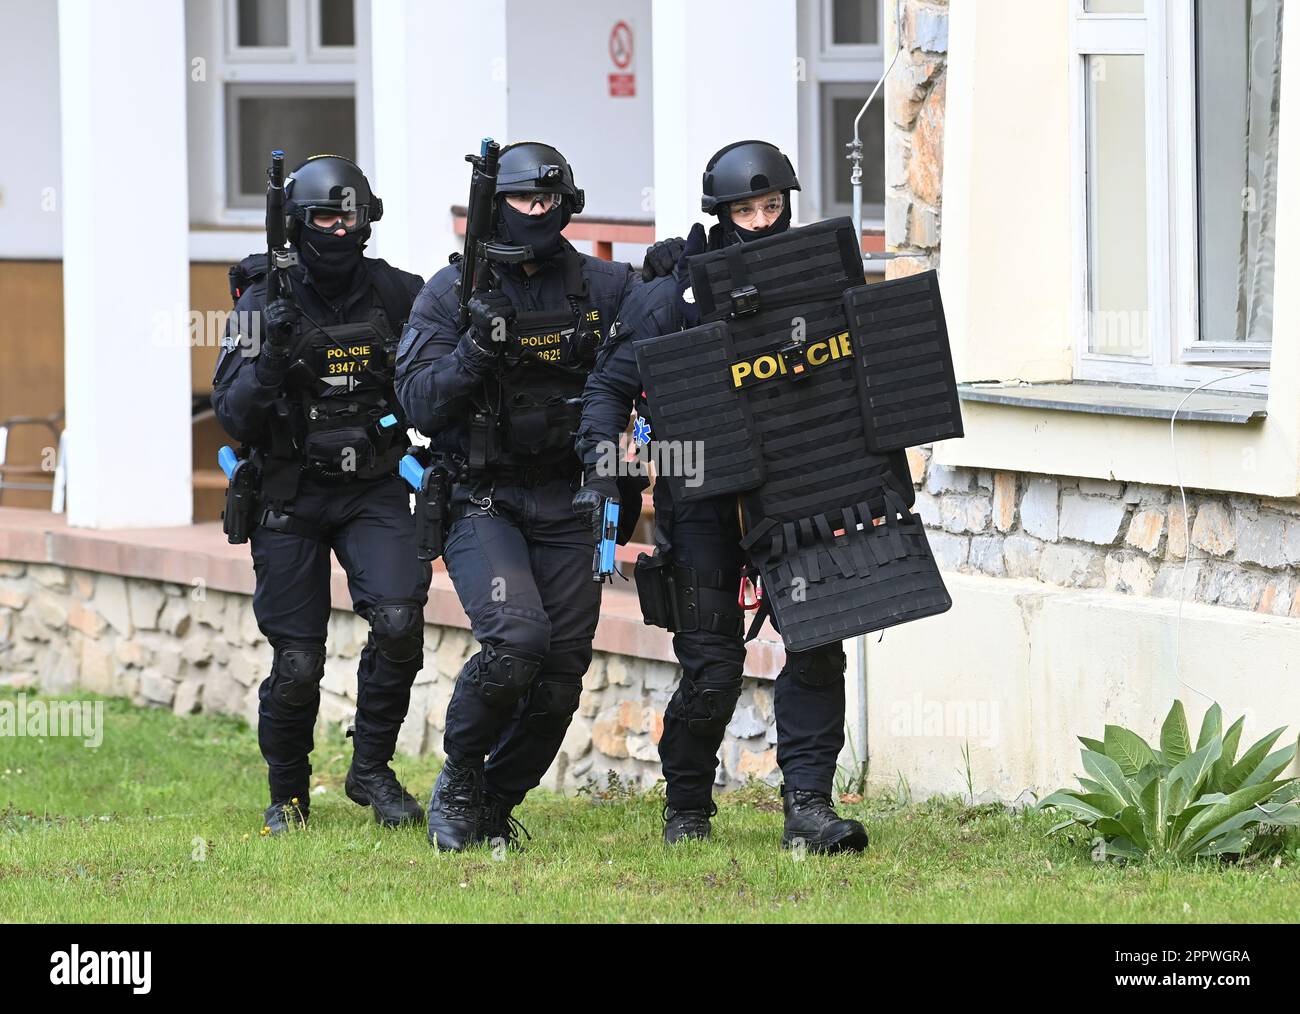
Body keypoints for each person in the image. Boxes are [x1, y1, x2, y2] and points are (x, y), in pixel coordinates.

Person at [578, 140, 914, 852]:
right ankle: (688, 806)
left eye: (771, 207)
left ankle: (809, 810)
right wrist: (605, 468)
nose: (760, 221)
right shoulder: (670, 299)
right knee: (713, 670)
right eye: (745, 209)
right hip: (701, 500)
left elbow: (875, 368)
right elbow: (608, 388)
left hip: (800, 488)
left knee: (818, 643)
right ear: (720, 214)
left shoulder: (818, 283)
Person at [395, 141, 637, 851]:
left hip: (567, 499)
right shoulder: (451, 293)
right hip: (481, 498)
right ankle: (461, 777)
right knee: (516, 643)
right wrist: (473, 351)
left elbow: (644, 355)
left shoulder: (602, 288)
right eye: (525, 201)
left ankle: (494, 804)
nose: (538, 213)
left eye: (549, 202)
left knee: (560, 675)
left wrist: (682, 271)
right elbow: (415, 402)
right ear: (496, 206)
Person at [213, 154, 431, 834]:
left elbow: (424, 395)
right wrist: (271, 358)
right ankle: (288, 792)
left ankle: (370, 769)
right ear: (299, 222)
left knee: (398, 622)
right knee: (300, 660)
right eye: (325, 217)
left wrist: (393, 428)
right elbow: (233, 415)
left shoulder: (400, 293)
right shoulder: (261, 300)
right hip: (289, 488)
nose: (339, 229)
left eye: (350, 216)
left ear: (368, 219)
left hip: (372, 484)